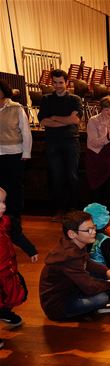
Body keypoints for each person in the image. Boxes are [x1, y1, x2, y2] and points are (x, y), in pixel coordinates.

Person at [39, 210, 110, 321]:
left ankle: (94, 308)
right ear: (72, 234)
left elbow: (87, 262)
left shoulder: (75, 243)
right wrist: (108, 286)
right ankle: (93, 309)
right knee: (101, 298)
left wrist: (105, 271)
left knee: (101, 277)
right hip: (58, 306)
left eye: (93, 227)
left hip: (69, 290)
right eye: (88, 230)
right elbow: (89, 287)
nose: (93, 232)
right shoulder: (69, 256)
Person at [38, 69, 83, 220]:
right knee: (56, 177)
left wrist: (55, 118)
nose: (57, 86)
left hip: (71, 141)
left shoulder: (75, 99)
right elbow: (43, 121)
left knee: (72, 176)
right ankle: (59, 209)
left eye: (61, 82)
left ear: (67, 82)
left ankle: (74, 210)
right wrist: (65, 120)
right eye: (55, 82)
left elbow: (75, 121)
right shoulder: (46, 99)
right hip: (52, 142)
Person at [0, 79, 37, 258]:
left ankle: (15, 227)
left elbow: (26, 131)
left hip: (15, 154)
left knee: (14, 191)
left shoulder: (16, 108)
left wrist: (26, 153)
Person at [0, 187, 37, 341]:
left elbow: (17, 236)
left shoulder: (6, 222)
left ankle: (3, 312)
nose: (3, 206)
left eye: (3, 201)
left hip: (7, 269)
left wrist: (30, 250)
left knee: (15, 292)